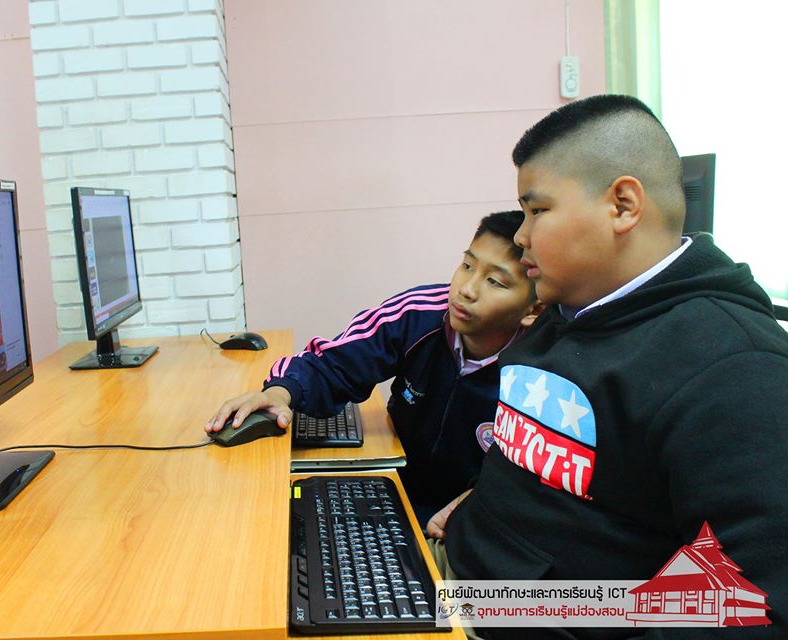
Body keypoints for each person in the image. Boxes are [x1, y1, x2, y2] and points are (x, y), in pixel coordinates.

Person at [430, 94, 788, 638]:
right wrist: (484, 499)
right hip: (459, 579)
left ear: (622, 205)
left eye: (537, 211)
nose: (521, 235)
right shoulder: (569, 309)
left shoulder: (735, 367)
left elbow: (750, 603)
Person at [205, 211, 541, 523]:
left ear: (534, 309)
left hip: (474, 518)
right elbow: (334, 363)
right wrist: (280, 393)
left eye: (495, 282)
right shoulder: (418, 313)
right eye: (467, 266)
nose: (465, 290)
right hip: (395, 491)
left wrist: (480, 505)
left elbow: (538, 480)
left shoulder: (544, 371)